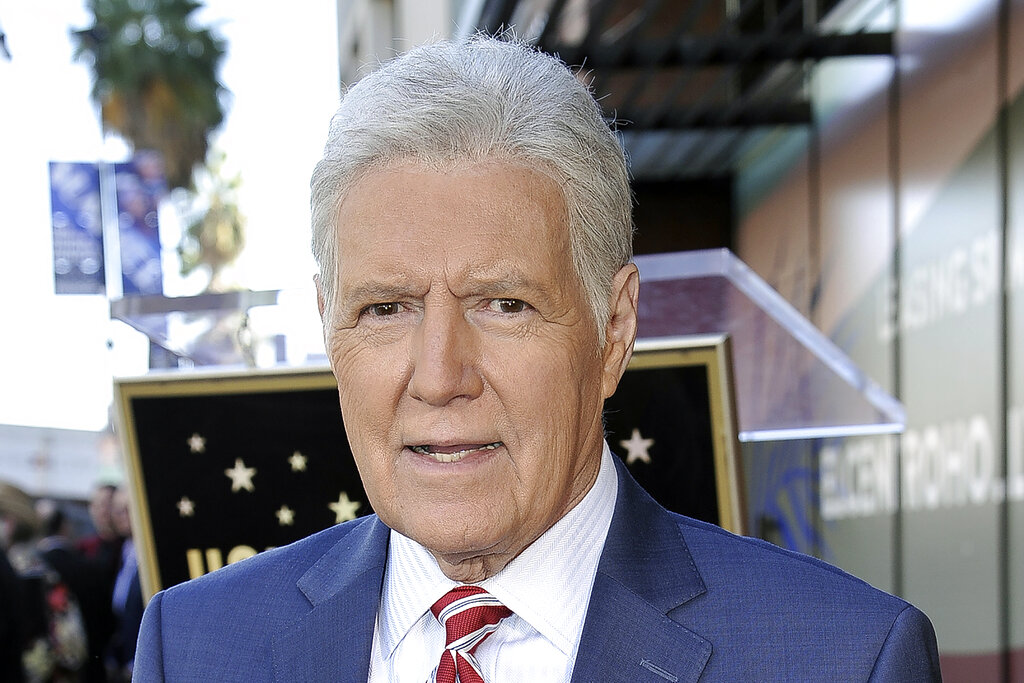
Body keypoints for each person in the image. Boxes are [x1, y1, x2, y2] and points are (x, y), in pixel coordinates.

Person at [134, 36, 941, 681]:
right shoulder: (196, 646)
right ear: (327, 327)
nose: (442, 375)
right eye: (386, 308)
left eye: (503, 304)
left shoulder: (843, 657)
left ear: (614, 330)